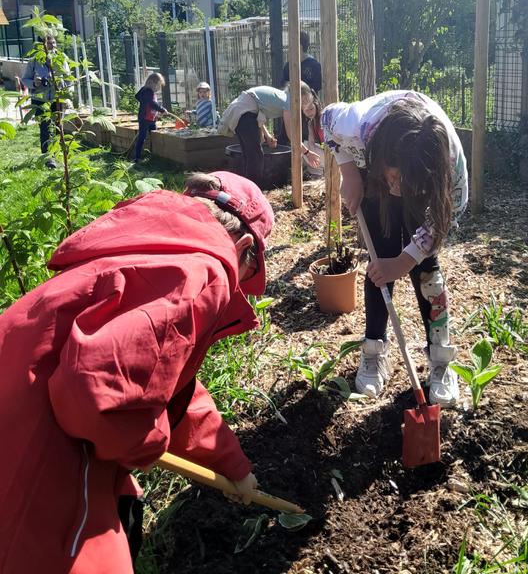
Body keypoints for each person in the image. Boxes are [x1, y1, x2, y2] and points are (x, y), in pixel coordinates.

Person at [0, 170, 274, 574]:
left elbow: (166, 385)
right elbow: (92, 398)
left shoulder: (156, 241)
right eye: (249, 274)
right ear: (244, 245)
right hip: (38, 453)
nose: (240, 288)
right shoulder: (205, 269)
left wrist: (232, 465)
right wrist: (148, 442)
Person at [322, 91, 468, 406]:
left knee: (426, 269)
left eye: (406, 182)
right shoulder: (357, 125)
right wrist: (349, 172)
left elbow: (443, 220)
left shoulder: (451, 170)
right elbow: (325, 119)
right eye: (396, 177)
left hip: (426, 182)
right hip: (374, 174)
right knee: (380, 260)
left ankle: (441, 359)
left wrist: (407, 260)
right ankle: (374, 350)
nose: (399, 188)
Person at [219, 83, 321, 185]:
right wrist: (307, 153)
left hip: (243, 110)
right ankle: (254, 190)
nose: (306, 105)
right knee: (255, 156)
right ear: (301, 96)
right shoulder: (289, 101)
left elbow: (257, 110)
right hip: (244, 111)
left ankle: (248, 188)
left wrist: (267, 135)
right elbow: (292, 135)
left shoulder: (283, 96)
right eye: (306, 100)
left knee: (249, 155)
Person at [22, 35, 71, 169]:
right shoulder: (34, 60)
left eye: (54, 43)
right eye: (49, 43)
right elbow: (24, 79)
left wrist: (66, 95)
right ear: (41, 45)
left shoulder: (61, 58)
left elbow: (69, 79)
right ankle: (48, 158)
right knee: (44, 127)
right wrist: (34, 83)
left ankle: (57, 155)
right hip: (40, 100)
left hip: (57, 98)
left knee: (58, 127)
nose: (53, 46)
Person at [134, 72, 167, 163]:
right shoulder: (147, 91)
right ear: (152, 82)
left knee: (154, 135)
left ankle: (153, 155)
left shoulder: (148, 92)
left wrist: (156, 113)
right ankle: (137, 158)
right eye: (158, 85)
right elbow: (152, 104)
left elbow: (148, 104)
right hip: (145, 119)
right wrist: (162, 109)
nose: (159, 88)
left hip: (151, 119)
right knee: (142, 137)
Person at [302, 90, 325, 179]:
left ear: (316, 104)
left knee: (304, 146)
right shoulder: (310, 123)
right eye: (306, 110)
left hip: (333, 154)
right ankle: (316, 171)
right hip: (321, 153)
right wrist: (309, 155)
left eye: (311, 109)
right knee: (304, 146)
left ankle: (317, 170)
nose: (309, 113)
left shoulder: (324, 117)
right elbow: (311, 143)